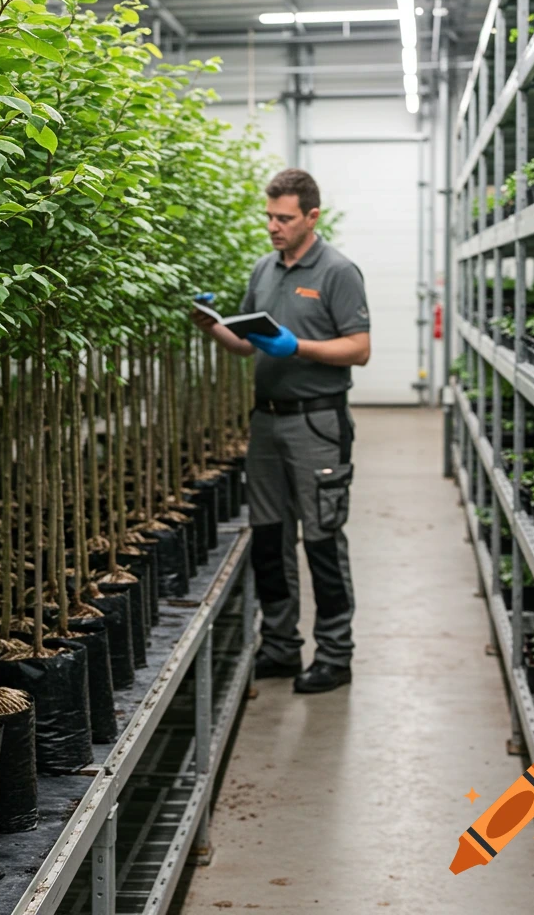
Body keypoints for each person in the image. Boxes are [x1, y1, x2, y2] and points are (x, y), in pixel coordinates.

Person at [191, 168, 370, 694]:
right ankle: (281, 646)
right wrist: (217, 328)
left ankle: (335, 655)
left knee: (321, 538)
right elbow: (249, 343)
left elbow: (359, 348)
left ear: (312, 217)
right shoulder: (263, 270)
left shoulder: (338, 270)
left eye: (283, 218)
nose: (273, 225)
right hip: (266, 420)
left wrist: (299, 347)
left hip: (317, 421)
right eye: (269, 216)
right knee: (270, 538)